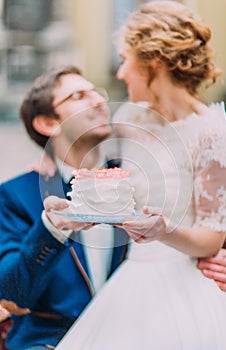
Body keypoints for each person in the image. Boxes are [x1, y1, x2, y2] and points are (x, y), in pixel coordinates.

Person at [54, 2, 226, 349]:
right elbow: (108, 179)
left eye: (125, 59)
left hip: (181, 280)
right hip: (129, 278)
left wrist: (164, 231)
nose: (120, 73)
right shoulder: (136, 120)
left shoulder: (213, 132)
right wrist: (76, 208)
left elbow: (211, 238)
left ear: (153, 63)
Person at [0, 65, 128, 350]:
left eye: (98, 92)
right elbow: (11, 293)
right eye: (79, 95)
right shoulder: (15, 195)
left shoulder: (136, 181)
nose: (98, 101)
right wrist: (51, 229)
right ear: (47, 122)